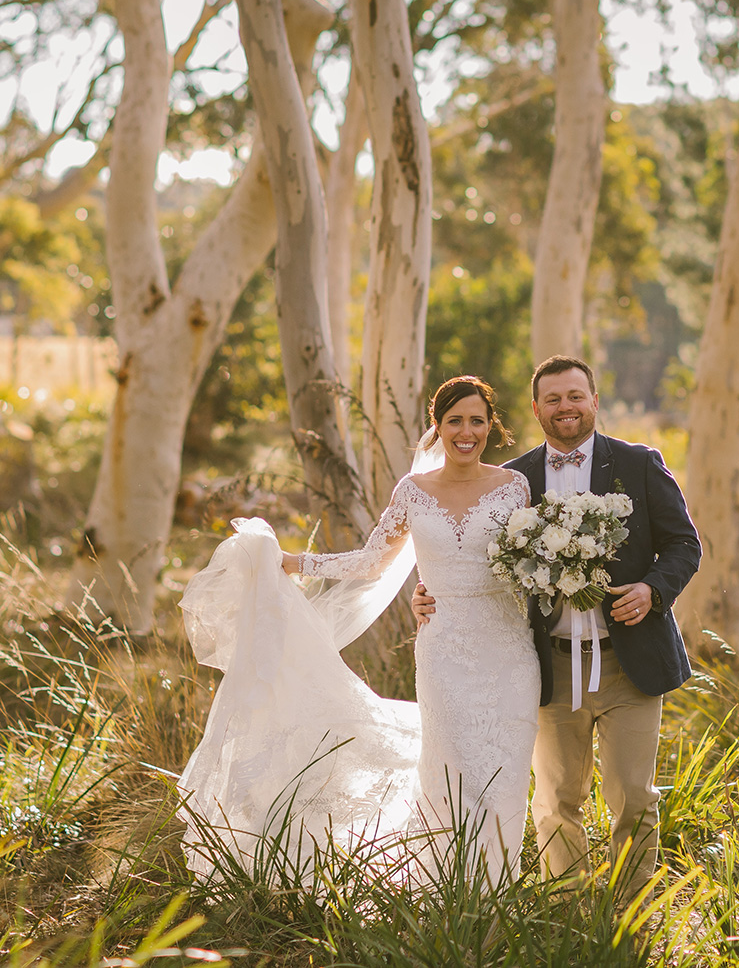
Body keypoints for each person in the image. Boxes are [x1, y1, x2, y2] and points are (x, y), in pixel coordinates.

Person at [175, 375, 538, 882]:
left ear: (490, 426)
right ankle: (446, 887)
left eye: (477, 420)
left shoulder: (514, 487)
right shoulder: (413, 492)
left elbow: (532, 565)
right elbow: (371, 561)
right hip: (444, 649)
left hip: (509, 652)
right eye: (455, 420)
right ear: (437, 427)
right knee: (449, 768)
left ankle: (499, 885)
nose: (466, 431)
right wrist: (294, 563)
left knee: (504, 770)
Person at [412, 355, 701, 894]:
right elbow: (468, 554)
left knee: (632, 796)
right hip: (548, 666)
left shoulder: (638, 463)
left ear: (594, 400)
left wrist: (652, 590)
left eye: (575, 396)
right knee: (554, 801)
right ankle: (565, 916)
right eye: (553, 399)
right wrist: (429, 593)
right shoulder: (513, 480)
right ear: (537, 408)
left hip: (628, 661)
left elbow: (684, 543)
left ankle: (627, 919)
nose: (565, 407)